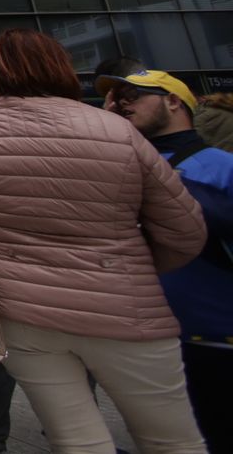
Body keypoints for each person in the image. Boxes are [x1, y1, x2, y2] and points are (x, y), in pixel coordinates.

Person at [0, 29, 207, 454]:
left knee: (75, 439)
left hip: (20, 309)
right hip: (124, 308)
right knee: (173, 441)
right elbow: (185, 230)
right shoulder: (115, 129)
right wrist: (129, 263)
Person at [101, 66, 233, 450]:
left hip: (215, 340)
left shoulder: (221, 167)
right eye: (115, 99)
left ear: (174, 101)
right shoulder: (116, 169)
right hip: (148, 343)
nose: (121, 105)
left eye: (133, 96)